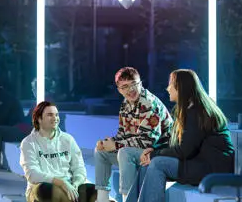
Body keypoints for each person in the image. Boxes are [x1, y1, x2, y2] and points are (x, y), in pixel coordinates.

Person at [128, 69, 234, 202]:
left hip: (211, 168)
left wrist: (155, 155)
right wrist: (154, 151)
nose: (167, 89)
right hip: (197, 162)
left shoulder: (197, 111)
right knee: (147, 165)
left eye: (171, 84)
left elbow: (184, 150)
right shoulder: (188, 109)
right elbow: (178, 144)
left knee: (157, 163)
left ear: (181, 87)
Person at [93, 67, 173, 202]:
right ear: (119, 90)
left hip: (158, 153)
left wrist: (116, 145)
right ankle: (102, 199)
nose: (130, 90)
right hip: (139, 152)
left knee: (124, 153)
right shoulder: (125, 104)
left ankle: (128, 199)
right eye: (125, 87)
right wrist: (107, 143)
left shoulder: (148, 103)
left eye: (134, 84)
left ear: (141, 83)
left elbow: (147, 142)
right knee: (100, 152)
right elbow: (123, 134)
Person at [20, 101, 98, 202]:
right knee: (46, 190)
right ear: (39, 119)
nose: (55, 118)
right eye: (50, 115)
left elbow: (79, 168)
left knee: (96, 191)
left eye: (56, 115)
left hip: (69, 186)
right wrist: (60, 182)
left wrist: (76, 183)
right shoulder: (28, 142)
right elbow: (33, 174)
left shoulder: (68, 139)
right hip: (43, 187)